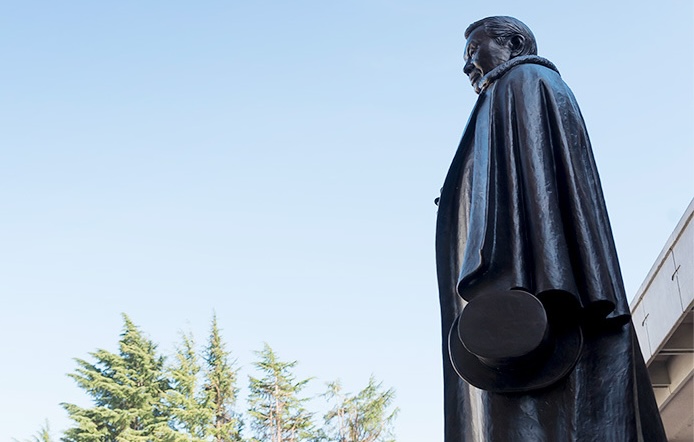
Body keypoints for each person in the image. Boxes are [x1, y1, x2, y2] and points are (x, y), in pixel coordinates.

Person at [435, 16, 667, 441]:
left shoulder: (524, 82)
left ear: (514, 44)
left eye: (473, 52)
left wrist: (543, 282)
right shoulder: (506, 93)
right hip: (523, 292)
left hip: (537, 293)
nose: (467, 66)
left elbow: (536, 188)